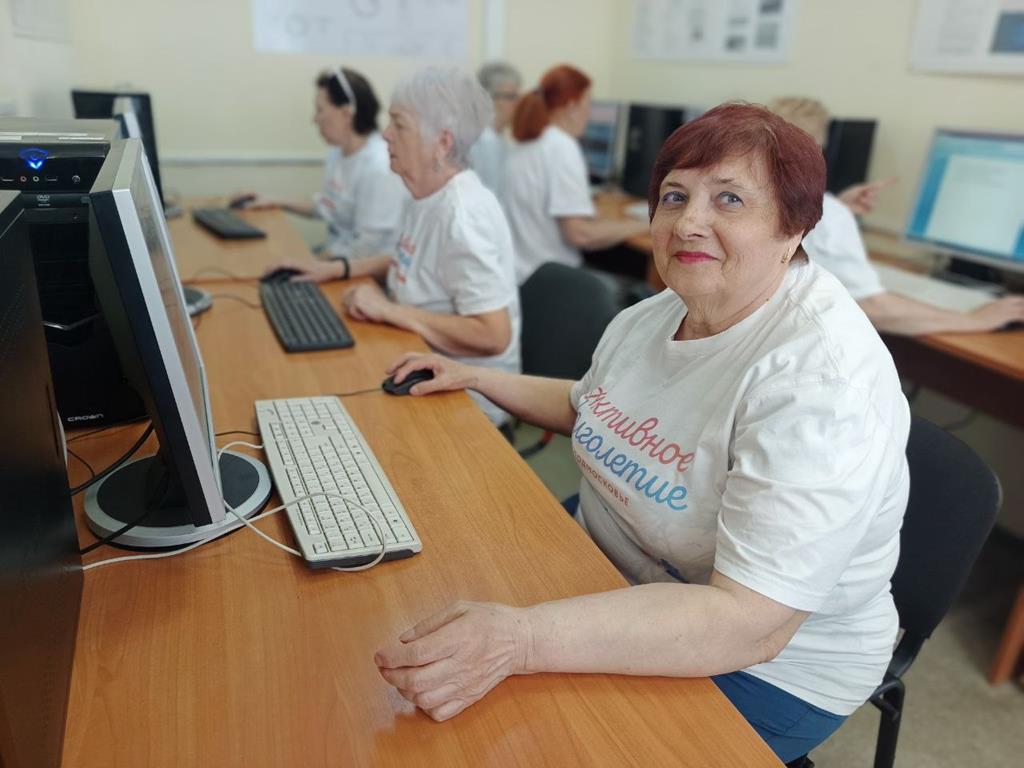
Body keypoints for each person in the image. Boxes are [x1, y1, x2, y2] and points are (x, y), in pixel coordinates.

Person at [372, 103, 911, 764]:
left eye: (730, 199)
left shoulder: (822, 386)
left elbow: (750, 625)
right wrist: (477, 377)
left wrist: (522, 639)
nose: (688, 222)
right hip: (615, 568)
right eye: (675, 196)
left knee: (525, 746)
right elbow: (592, 409)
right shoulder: (659, 312)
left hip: (766, 664)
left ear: (793, 228)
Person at [265, 67, 520, 428]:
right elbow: (413, 261)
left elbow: (493, 335)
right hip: (417, 361)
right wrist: (337, 268)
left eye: (399, 125)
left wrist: (388, 310)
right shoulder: (426, 194)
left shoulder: (463, 216)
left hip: (467, 405)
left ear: (442, 143)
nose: (385, 134)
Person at [769, 97, 1024, 334]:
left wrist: (837, 208)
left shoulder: (762, 202)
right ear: (817, 149)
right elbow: (874, 307)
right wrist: (974, 320)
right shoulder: (829, 215)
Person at [236, 67, 406, 268]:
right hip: (336, 257)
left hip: (363, 270)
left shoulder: (379, 167)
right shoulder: (337, 153)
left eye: (320, 110)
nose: (314, 119)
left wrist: (310, 263)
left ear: (346, 113)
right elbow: (328, 205)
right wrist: (273, 200)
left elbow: (366, 246)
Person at [503, 64, 649, 284]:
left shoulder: (525, 142)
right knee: (644, 290)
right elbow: (580, 234)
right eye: (587, 105)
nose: (589, 114)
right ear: (571, 106)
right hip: (548, 281)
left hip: (520, 274)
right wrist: (646, 224)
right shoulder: (561, 146)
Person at [467, 61, 522, 195]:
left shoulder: (498, 139)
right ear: (489, 98)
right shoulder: (485, 142)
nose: (518, 104)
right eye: (511, 97)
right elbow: (493, 194)